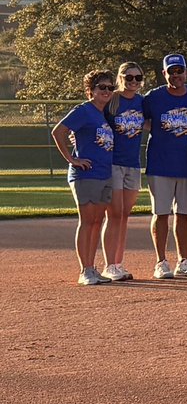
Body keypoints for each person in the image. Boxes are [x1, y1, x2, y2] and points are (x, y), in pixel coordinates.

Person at [142, 53, 187, 279]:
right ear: (164, 74)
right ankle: (161, 261)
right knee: (161, 213)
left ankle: (184, 260)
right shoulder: (153, 97)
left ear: (186, 73)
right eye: (171, 71)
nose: (176, 75)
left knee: (184, 213)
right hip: (160, 164)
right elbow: (134, 116)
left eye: (180, 71)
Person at [52, 70, 116, 285]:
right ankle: (85, 270)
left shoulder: (102, 114)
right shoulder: (84, 110)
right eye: (102, 87)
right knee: (88, 222)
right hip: (86, 174)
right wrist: (72, 159)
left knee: (98, 222)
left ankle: (92, 267)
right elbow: (58, 131)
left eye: (110, 87)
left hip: (104, 173)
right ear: (91, 91)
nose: (106, 91)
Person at [101, 61, 145, 281]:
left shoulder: (141, 101)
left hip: (133, 164)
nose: (134, 82)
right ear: (120, 78)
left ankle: (118, 263)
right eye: (129, 78)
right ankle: (109, 264)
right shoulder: (112, 99)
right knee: (114, 213)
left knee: (124, 215)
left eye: (138, 78)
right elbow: (93, 120)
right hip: (113, 162)